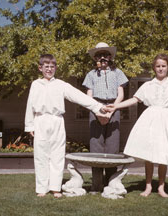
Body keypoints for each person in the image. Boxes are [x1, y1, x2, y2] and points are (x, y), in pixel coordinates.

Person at [24, 54, 108, 198]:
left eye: (52, 67)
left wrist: (98, 107)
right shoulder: (35, 84)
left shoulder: (61, 85)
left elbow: (79, 96)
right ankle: (41, 188)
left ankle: (55, 187)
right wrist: (29, 125)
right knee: (41, 156)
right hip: (40, 120)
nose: (49, 69)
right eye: (46, 67)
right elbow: (30, 105)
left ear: (56, 68)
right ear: (40, 68)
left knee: (57, 155)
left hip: (57, 121)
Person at [105, 54, 168, 197]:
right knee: (149, 154)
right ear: (154, 68)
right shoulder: (147, 85)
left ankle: (161, 187)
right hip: (150, 120)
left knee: (163, 154)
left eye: (163, 66)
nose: (160, 69)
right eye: (158, 66)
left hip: (166, 121)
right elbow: (134, 99)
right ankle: (148, 186)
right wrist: (116, 106)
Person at [82, 42, 129, 192]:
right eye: (99, 55)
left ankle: (111, 185)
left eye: (105, 55)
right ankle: (96, 185)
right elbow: (89, 96)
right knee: (96, 145)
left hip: (113, 108)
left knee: (112, 147)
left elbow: (121, 94)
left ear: (110, 57)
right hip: (96, 108)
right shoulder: (91, 74)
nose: (102, 58)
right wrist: (97, 110)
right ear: (95, 58)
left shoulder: (118, 73)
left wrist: (112, 109)